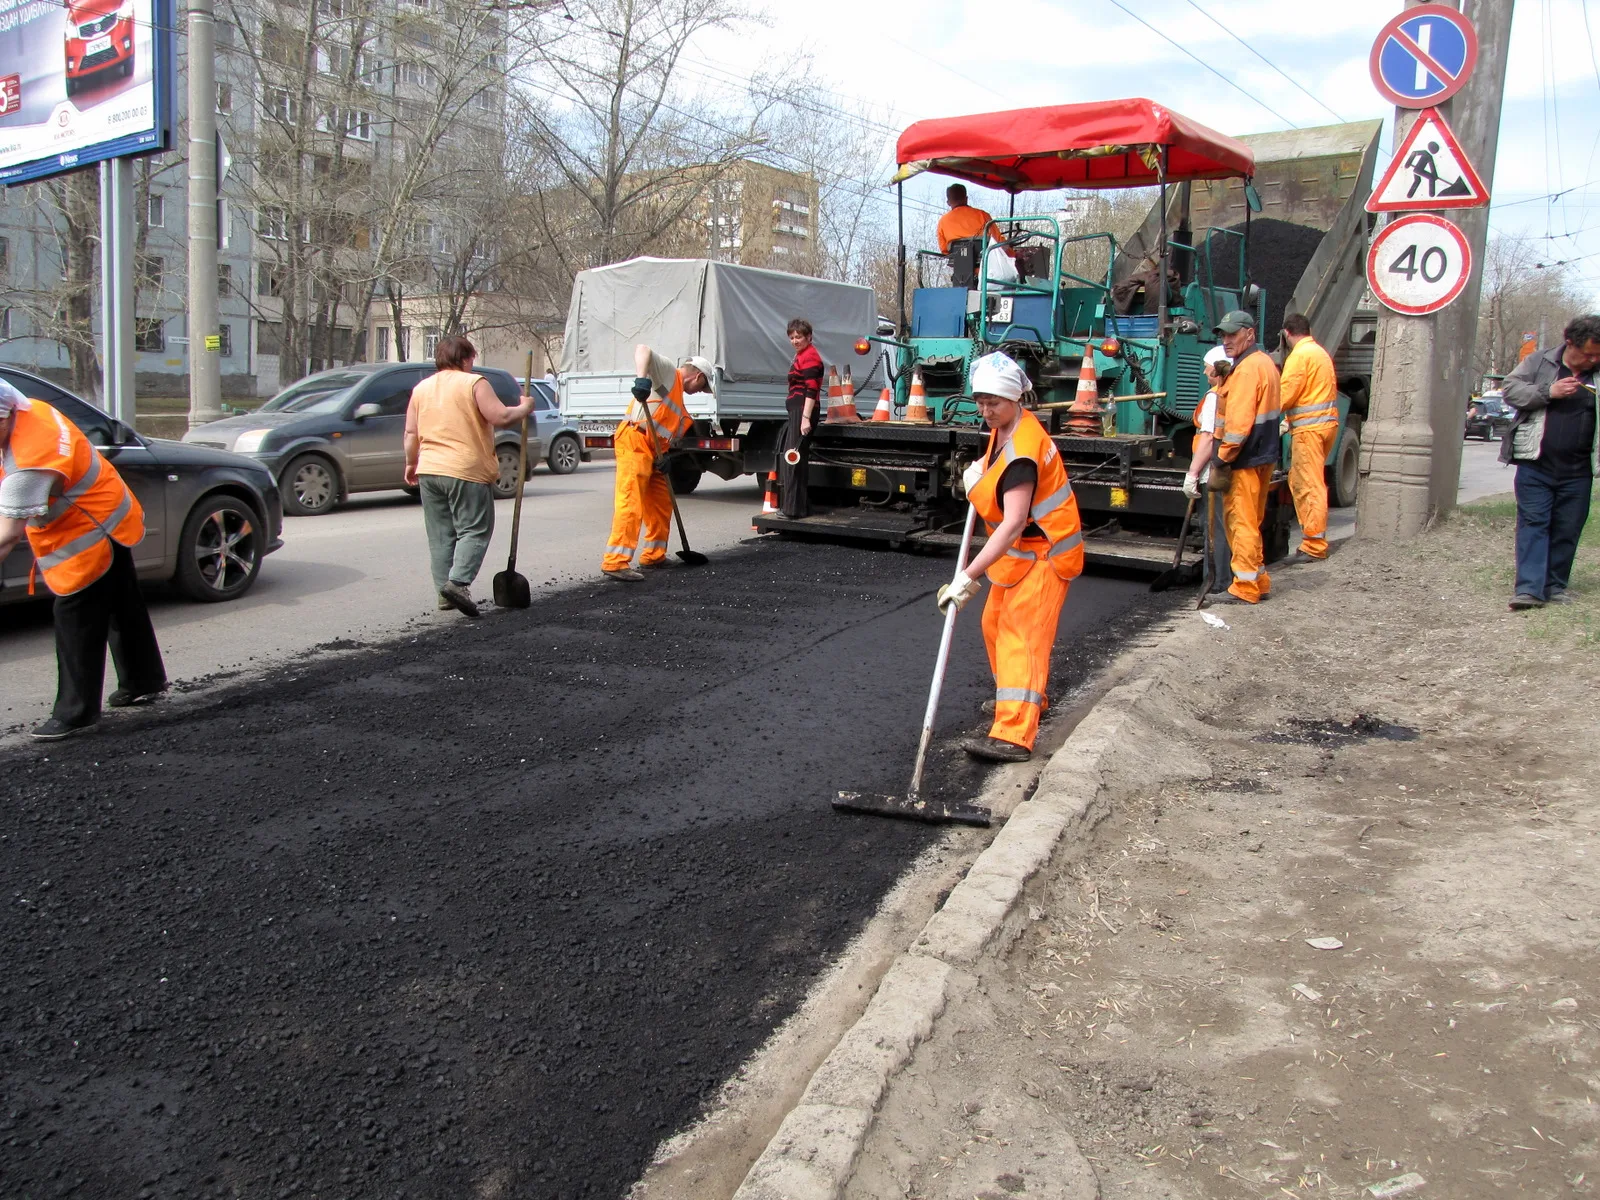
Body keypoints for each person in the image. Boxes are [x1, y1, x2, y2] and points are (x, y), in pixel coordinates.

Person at [0, 379, 167, 741]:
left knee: (76, 615)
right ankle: (144, 679)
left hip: (89, 530)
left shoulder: (29, 460)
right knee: (122, 602)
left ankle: (76, 714)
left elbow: (7, 535)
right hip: (110, 506)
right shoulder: (30, 409)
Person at [936, 352, 1083, 763]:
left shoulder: (1023, 451)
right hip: (1023, 554)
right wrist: (978, 475)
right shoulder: (1004, 429)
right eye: (980, 402)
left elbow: (1013, 522)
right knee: (994, 624)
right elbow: (994, 472)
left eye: (994, 403)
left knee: (1022, 634)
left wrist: (968, 575)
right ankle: (1021, 697)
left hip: (1047, 553)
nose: (986, 411)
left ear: (1016, 399)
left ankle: (1015, 733)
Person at [403, 334, 535, 618]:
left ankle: (444, 594)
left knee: (440, 535)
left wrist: (411, 462)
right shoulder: (474, 383)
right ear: (464, 358)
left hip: (429, 469)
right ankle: (458, 584)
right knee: (474, 529)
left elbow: (411, 433)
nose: (473, 363)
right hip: (465, 469)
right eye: (471, 358)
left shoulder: (422, 389)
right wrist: (524, 407)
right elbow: (500, 417)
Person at [1501, 313, 1600, 610]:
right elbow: (1510, 389)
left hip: (1579, 470)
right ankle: (1529, 590)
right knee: (1534, 523)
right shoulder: (1540, 362)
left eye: (1598, 355)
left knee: (1568, 527)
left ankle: (1555, 586)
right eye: (1589, 354)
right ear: (1570, 342)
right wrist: (1548, 392)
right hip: (1537, 464)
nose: (1594, 360)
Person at [601, 343, 713, 582]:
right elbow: (643, 349)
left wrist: (667, 459)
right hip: (634, 440)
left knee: (662, 502)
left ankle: (654, 555)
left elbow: (665, 434)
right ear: (698, 376)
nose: (701, 392)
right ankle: (615, 562)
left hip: (655, 453)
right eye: (703, 387)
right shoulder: (669, 374)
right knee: (631, 502)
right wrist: (641, 380)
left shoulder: (678, 403)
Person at [1210, 310, 1282, 605]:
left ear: (1250, 334)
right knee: (1253, 519)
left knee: (1241, 522)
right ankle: (1258, 579)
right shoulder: (1265, 363)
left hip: (1244, 458)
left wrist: (1221, 458)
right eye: (1223, 335)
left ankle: (1245, 586)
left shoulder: (1247, 370)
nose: (1226, 340)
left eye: (1233, 334)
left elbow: (1237, 427)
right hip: (1263, 453)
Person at [1278, 312, 1339, 564]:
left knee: (1308, 485)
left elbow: (1285, 394)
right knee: (1306, 480)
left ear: (1286, 333)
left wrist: (1263, 415)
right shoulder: (1320, 353)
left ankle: (1314, 545)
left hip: (1308, 431)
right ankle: (1314, 539)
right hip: (1324, 427)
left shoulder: (1299, 357)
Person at [1183, 346, 1233, 593]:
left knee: (1214, 528)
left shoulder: (1215, 397)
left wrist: (1192, 474)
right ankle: (1225, 578)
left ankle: (1217, 582)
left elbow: (1208, 438)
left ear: (1218, 367)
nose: (1204, 371)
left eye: (1207, 366)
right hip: (1227, 466)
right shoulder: (1234, 391)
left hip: (1212, 469)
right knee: (1226, 525)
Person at [780, 318, 824, 518]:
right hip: (798, 410)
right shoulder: (802, 355)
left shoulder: (810, 357)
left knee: (793, 458)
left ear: (809, 337)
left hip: (802, 411)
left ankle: (792, 509)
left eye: (799, 337)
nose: (795, 340)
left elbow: (811, 389)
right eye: (792, 337)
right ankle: (798, 507)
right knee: (797, 458)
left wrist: (805, 417)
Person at [935, 184, 1004, 254]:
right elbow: (998, 241)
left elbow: (944, 250)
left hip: (957, 263)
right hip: (983, 262)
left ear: (948, 202)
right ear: (966, 198)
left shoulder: (942, 221)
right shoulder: (983, 215)